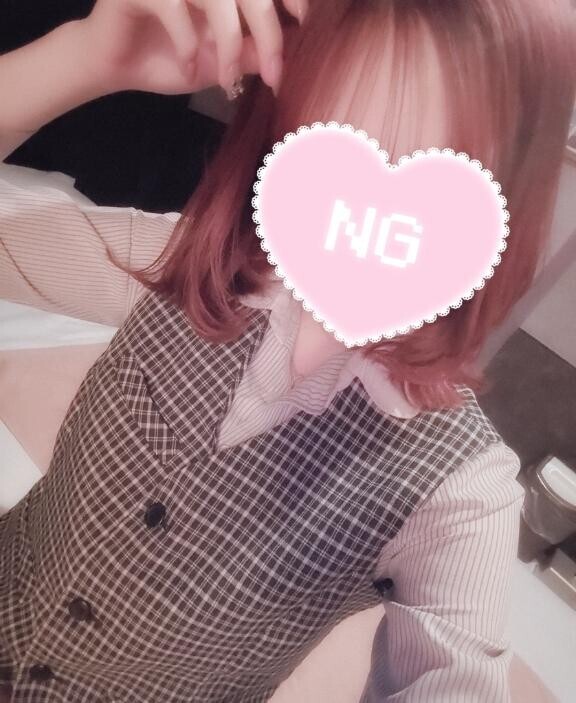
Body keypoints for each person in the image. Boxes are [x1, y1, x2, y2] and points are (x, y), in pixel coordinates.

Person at [0, 0, 574, 701]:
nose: (370, 220)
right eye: (338, 144)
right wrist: (84, 58)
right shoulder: (182, 267)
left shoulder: (458, 493)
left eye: (434, 177)